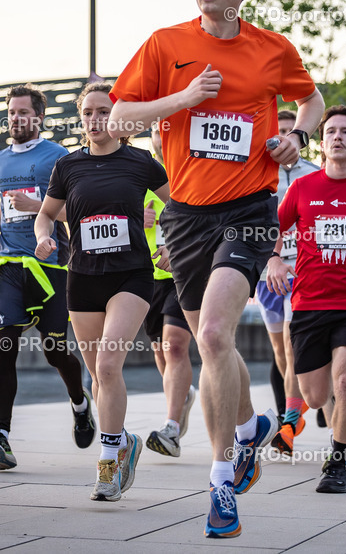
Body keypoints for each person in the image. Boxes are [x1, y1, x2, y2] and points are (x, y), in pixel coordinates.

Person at [108, 0, 325, 537]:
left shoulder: (272, 49)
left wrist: (298, 139)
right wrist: (182, 98)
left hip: (250, 209)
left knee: (210, 333)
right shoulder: (165, 45)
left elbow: (312, 100)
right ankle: (254, 426)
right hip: (183, 215)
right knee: (213, 349)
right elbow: (120, 118)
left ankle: (221, 481)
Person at [35, 82, 170, 501]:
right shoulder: (68, 167)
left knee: (109, 366)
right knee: (98, 376)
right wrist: (44, 236)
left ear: (119, 119)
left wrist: (169, 242)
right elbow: (46, 215)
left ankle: (108, 462)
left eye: (102, 112)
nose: (94, 120)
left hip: (131, 275)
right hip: (84, 278)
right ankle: (124, 440)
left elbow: (180, 207)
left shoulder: (142, 163)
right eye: (88, 113)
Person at [268, 105, 346, 493]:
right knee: (315, 394)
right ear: (321, 145)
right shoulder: (302, 189)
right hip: (307, 303)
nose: (337, 137)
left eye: (345, 132)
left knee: (345, 381)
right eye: (330, 132)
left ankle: (337, 461)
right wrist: (273, 258)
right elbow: (274, 226)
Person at [0, 84, 95, 471]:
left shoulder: (59, 157)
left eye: (23, 113)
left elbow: (75, 214)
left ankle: (79, 402)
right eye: (11, 112)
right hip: (10, 265)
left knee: (54, 351)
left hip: (52, 267)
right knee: (6, 342)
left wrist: (37, 207)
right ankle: (1, 435)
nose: (15, 119)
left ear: (38, 117)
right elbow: (5, 204)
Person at [255, 109, 319, 455]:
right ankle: (298, 404)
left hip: (302, 270)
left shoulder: (314, 174)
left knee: (294, 345)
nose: (281, 138)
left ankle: (291, 420)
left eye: (287, 132)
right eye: (275, 132)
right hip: (267, 273)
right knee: (280, 349)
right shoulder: (259, 175)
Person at [143, 129, 197, 457]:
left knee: (175, 346)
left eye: (169, 126)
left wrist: (177, 253)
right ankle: (184, 395)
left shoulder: (194, 170)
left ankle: (172, 429)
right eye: (155, 129)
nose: (162, 134)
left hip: (186, 272)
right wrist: (136, 218)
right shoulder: (139, 173)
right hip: (147, 278)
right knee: (162, 353)